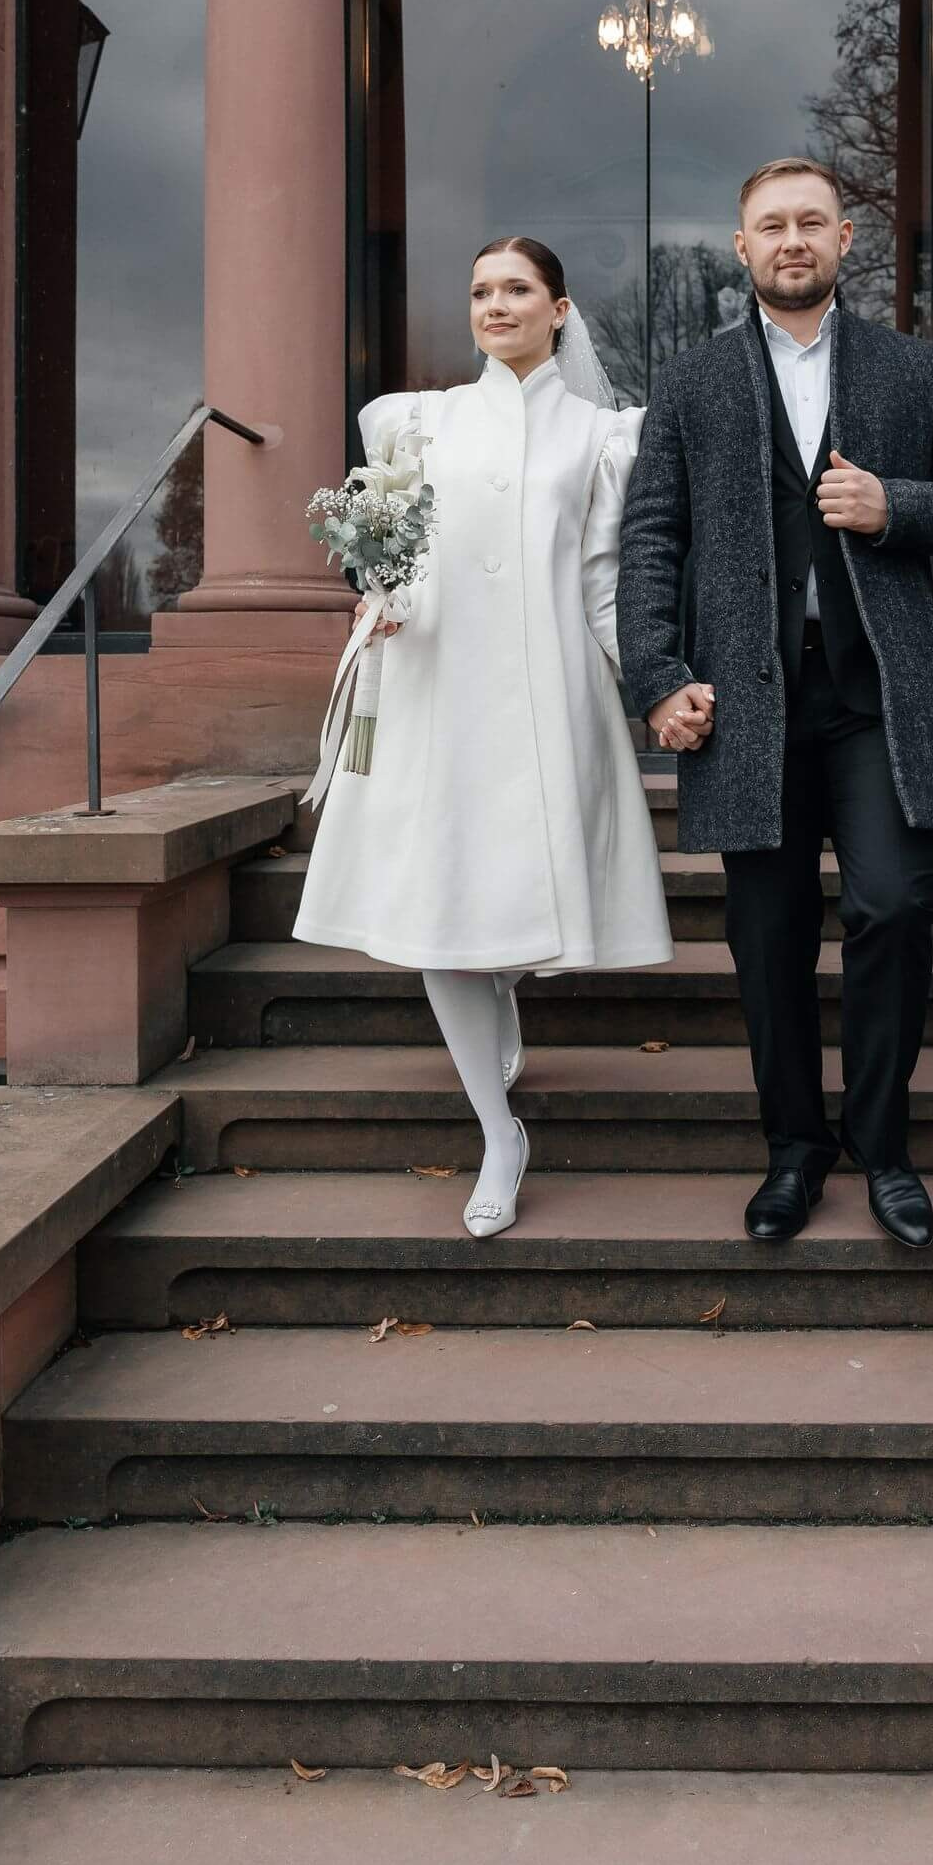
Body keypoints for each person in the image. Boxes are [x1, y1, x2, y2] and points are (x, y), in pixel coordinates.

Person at [617, 158, 933, 1251]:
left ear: (846, 239)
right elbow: (651, 537)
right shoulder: (691, 380)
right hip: (747, 703)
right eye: (767, 226)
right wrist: (654, 678)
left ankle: (882, 1148)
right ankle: (792, 1150)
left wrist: (895, 505)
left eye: (809, 222)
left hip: (877, 694)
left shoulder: (911, 368)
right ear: (739, 250)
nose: (790, 240)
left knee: (891, 905)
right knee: (768, 932)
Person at [294, 236, 672, 1237]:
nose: (494, 305)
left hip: (548, 692)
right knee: (443, 912)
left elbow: (599, 581)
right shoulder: (415, 422)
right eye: (479, 291)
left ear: (558, 308)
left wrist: (653, 687)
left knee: (504, 907)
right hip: (435, 695)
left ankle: (502, 995)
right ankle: (497, 1131)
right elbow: (392, 552)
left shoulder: (599, 437)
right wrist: (381, 594)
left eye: (515, 290)